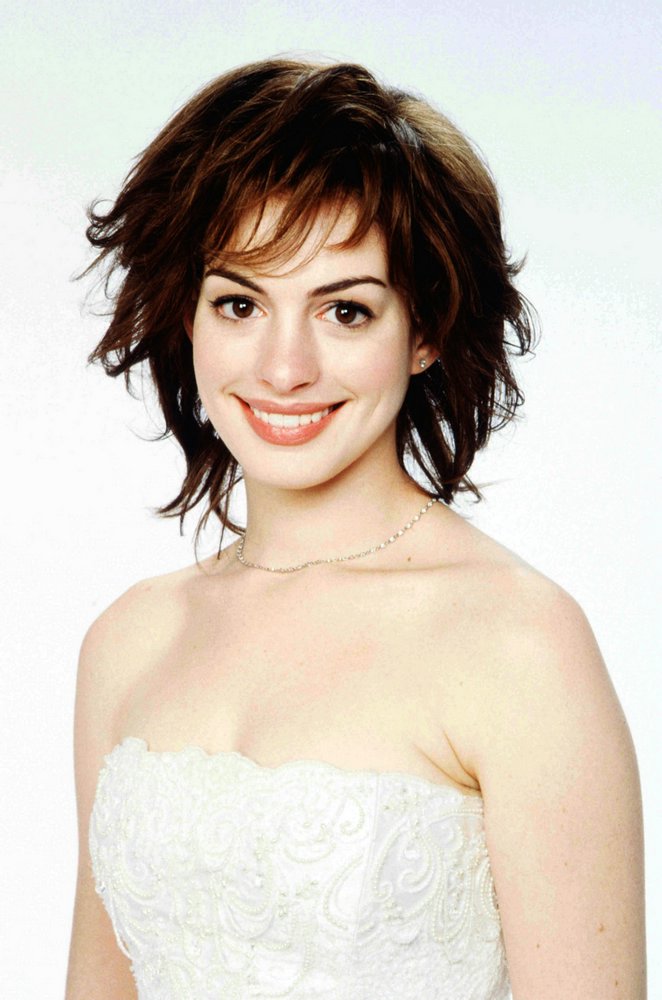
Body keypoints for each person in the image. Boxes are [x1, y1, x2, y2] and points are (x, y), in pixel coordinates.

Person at [64, 58, 646, 1000]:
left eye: (345, 310)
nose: (284, 366)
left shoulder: (518, 642)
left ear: (424, 330)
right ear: (189, 317)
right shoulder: (129, 641)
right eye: (240, 303)